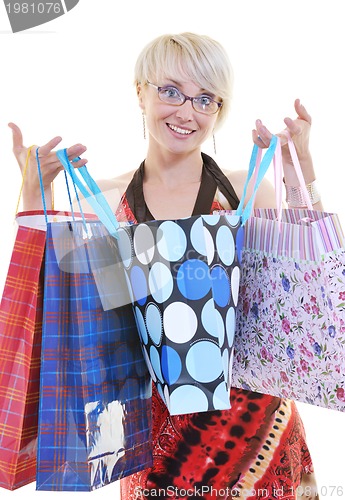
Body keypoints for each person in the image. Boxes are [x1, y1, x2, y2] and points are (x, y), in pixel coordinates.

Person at [10, 32, 321, 499]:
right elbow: (62, 316)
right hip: (154, 448)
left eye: (204, 99)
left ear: (219, 109)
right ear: (141, 91)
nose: (186, 112)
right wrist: (33, 194)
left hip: (259, 439)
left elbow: (308, 287)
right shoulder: (106, 202)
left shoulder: (243, 190)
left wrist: (303, 175)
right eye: (170, 91)